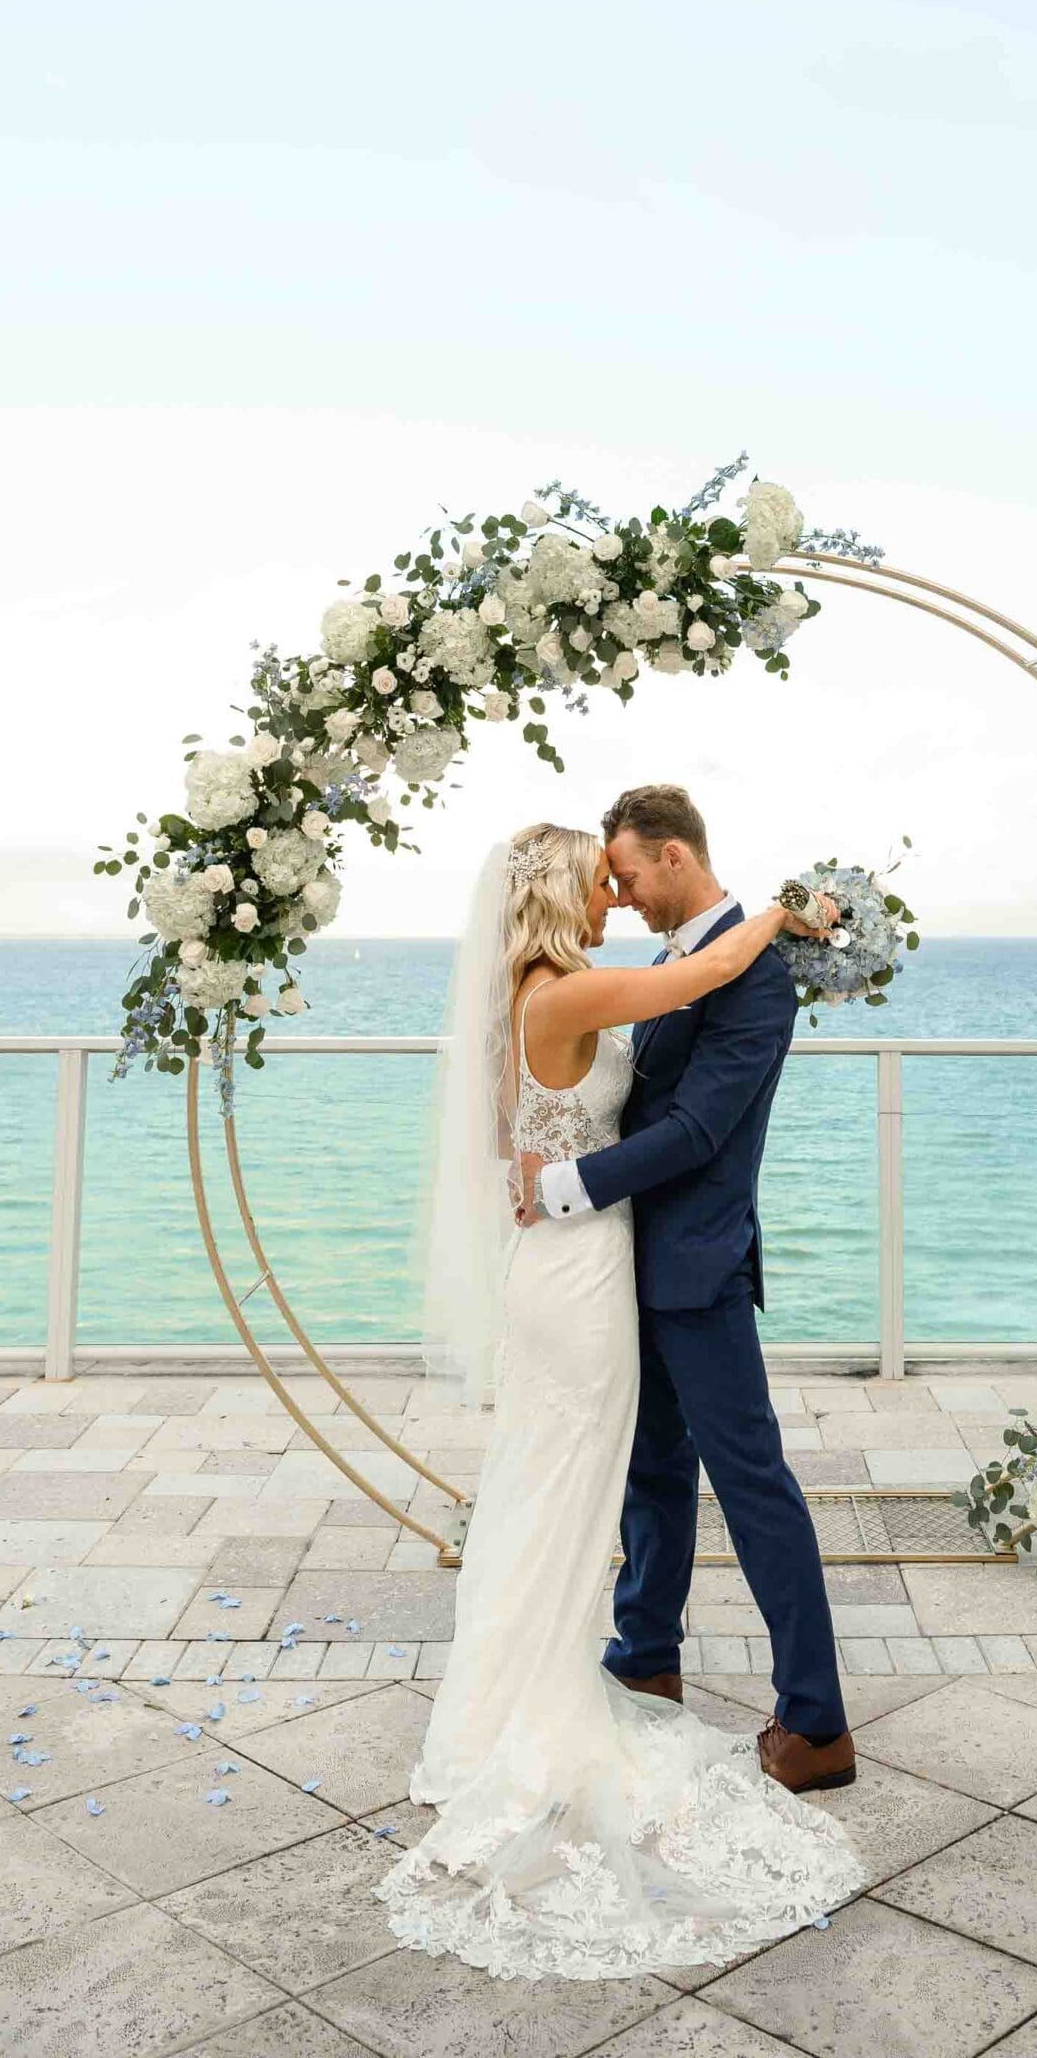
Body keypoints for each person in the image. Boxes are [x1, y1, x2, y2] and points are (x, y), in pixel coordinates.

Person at [376, 806, 863, 1979]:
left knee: (746, 1474)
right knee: (643, 1470)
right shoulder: (625, 972)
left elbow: (695, 1125)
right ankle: (642, 1650)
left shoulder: (748, 972)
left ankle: (817, 1718)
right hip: (604, 1266)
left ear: (671, 856)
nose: (621, 893)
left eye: (628, 873)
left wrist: (559, 1186)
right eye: (601, 879)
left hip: (677, 1263)